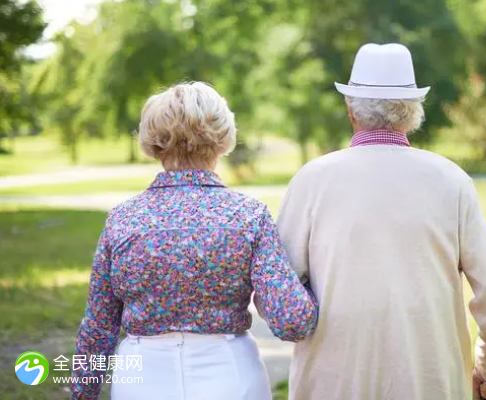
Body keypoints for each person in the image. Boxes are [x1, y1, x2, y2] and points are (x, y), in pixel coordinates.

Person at [277, 43, 486, 400]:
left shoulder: (312, 179)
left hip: (333, 384)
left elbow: (279, 291)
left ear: (350, 109)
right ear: (413, 111)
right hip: (431, 382)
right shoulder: (451, 180)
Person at [72, 82, 318, 400]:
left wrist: (83, 392)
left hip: (142, 377)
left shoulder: (123, 219)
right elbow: (292, 321)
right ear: (223, 139)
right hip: (230, 373)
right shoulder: (248, 215)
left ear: (153, 142)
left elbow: (99, 326)